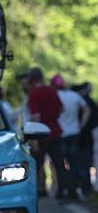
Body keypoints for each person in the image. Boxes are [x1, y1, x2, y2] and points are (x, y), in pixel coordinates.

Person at [27, 67, 67, 199]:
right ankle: (63, 190)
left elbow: (36, 115)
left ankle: (40, 189)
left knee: (38, 163)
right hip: (55, 130)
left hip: (41, 132)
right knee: (58, 163)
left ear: (31, 80)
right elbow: (61, 109)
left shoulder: (34, 94)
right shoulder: (52, 90)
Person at [51, 74, 91, 199]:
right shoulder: (74, 96)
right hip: (74, 133)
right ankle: (75, 189)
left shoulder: (54, 96)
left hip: (61, 134)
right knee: (74, 163)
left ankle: (65, 189)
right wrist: (81, 125)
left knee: (60, 165)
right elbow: (87, 110)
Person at [72, 82, 98, 195]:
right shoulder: (85, 102)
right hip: (86, 137)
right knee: (85, 163)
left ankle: (86, 188)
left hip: (83, 137)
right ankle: (87, 188)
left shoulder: (81, 102)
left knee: (83, 163)